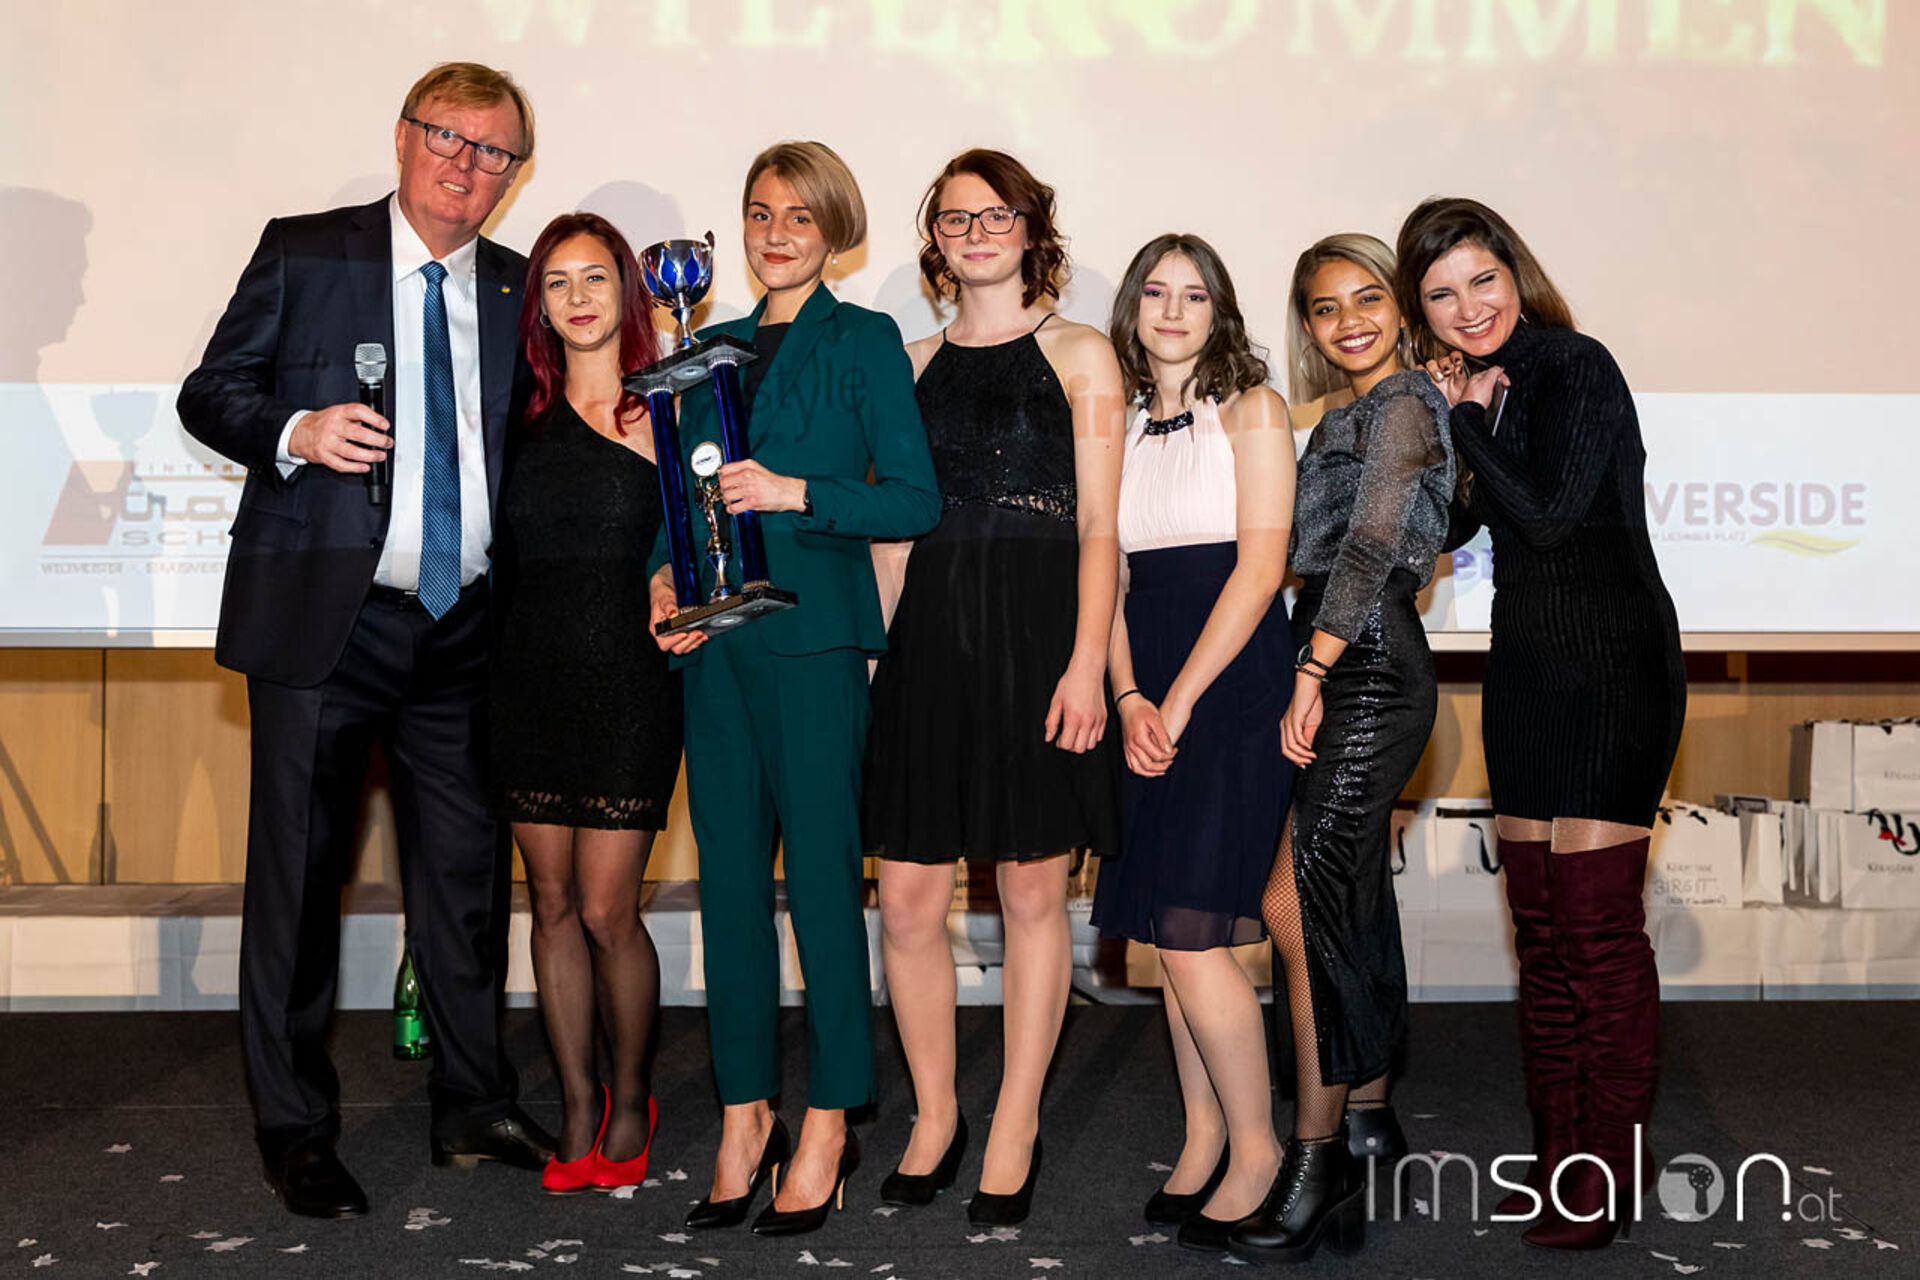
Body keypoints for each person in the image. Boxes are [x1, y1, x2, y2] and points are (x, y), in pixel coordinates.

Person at [176, 62, 555, 1218]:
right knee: (299, 883)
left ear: (513, 172)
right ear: (403, 138)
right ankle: (295, 1129)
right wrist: (295, 427)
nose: (466, 166)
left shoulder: (517, 287)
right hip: (326, 625)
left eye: (493, 152)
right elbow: (209, 391)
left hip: (466, 626)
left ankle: (472, 1099)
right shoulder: (308, 252)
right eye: (448, 137)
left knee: (466, 880)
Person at [647, 140, 942, 1237]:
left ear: (835, 232)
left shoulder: (863, 340)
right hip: (714, 645)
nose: (777, 234)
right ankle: (743, 1116)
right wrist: (662, 577)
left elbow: (912, 500)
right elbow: (680, 499)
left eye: (801, 217)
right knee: (727, 889)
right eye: (761, 214)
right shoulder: (704, 347)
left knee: (821, 887)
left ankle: (830, 1117)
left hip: (814, 641)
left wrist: (796, 491)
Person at [1395, 197, 1685, 1251]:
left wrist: (1472, 418)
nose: (1468, 306)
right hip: (1524, 670)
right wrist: (1437, 423)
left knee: (1597, 933)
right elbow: (1456, 524)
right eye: (1441, 294)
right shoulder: (1478, 392)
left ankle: (1606, 1173)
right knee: (1543, 935)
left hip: (1614, 666)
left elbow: (1555, 517)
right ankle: (1561, 1161)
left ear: (1515, 273)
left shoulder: (1572, 364)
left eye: (1483, 279)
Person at [864, 148, 1123, 1226]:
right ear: (934, 238)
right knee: (908, 900)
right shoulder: (908, 362)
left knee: (1029, 895)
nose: (976, 233)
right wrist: (878, 659)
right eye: (955, 218)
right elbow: (889, 532)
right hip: (926, 644)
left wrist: (1086, 663)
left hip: (1037, 642)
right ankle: (936, 1116)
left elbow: (1100, 527)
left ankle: (1015, 1119)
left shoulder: (1082, 353)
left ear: (1030, 228)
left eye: (995, 214)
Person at [1228, 234, 1455, 1264]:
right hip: (1334, 646)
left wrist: (1312, 670)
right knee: (1345, 893)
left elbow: (1371, 545)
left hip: (1363, 660)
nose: (1348, 320)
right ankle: (1366, 1116)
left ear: (1400, 306)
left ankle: (1315, 1162)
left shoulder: (1402, 402)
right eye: (1326, 307)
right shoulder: (1350, 410)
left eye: (1368, 298)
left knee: (1301, 901)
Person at [1087, 234, 1294, 1253]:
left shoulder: (1254, 409)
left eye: (1196, 294)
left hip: (1232, 682)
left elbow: (1260, 571)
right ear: (1133, 308)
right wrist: (1129, 695)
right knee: (1168, 935)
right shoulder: (1114, 422)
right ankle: (1204, 1133)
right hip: (1148, 684)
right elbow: (1108, 575)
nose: (1173, 310)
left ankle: (1259, 1149)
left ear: (1221, 311)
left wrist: (1177, 700)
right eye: (1157, 292)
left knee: (1194, 934)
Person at [489, 212, 682, 1194]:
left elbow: (701, 548)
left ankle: (633, 1097)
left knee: (608, 908)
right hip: (526, 683)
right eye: (557, 281)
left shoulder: (668, 414)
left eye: (595, 277)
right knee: (552, 903)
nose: (577, 297)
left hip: (630, 687)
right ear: (541, 305)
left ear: (627, 292)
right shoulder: (515, 420)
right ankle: (575, 1103)